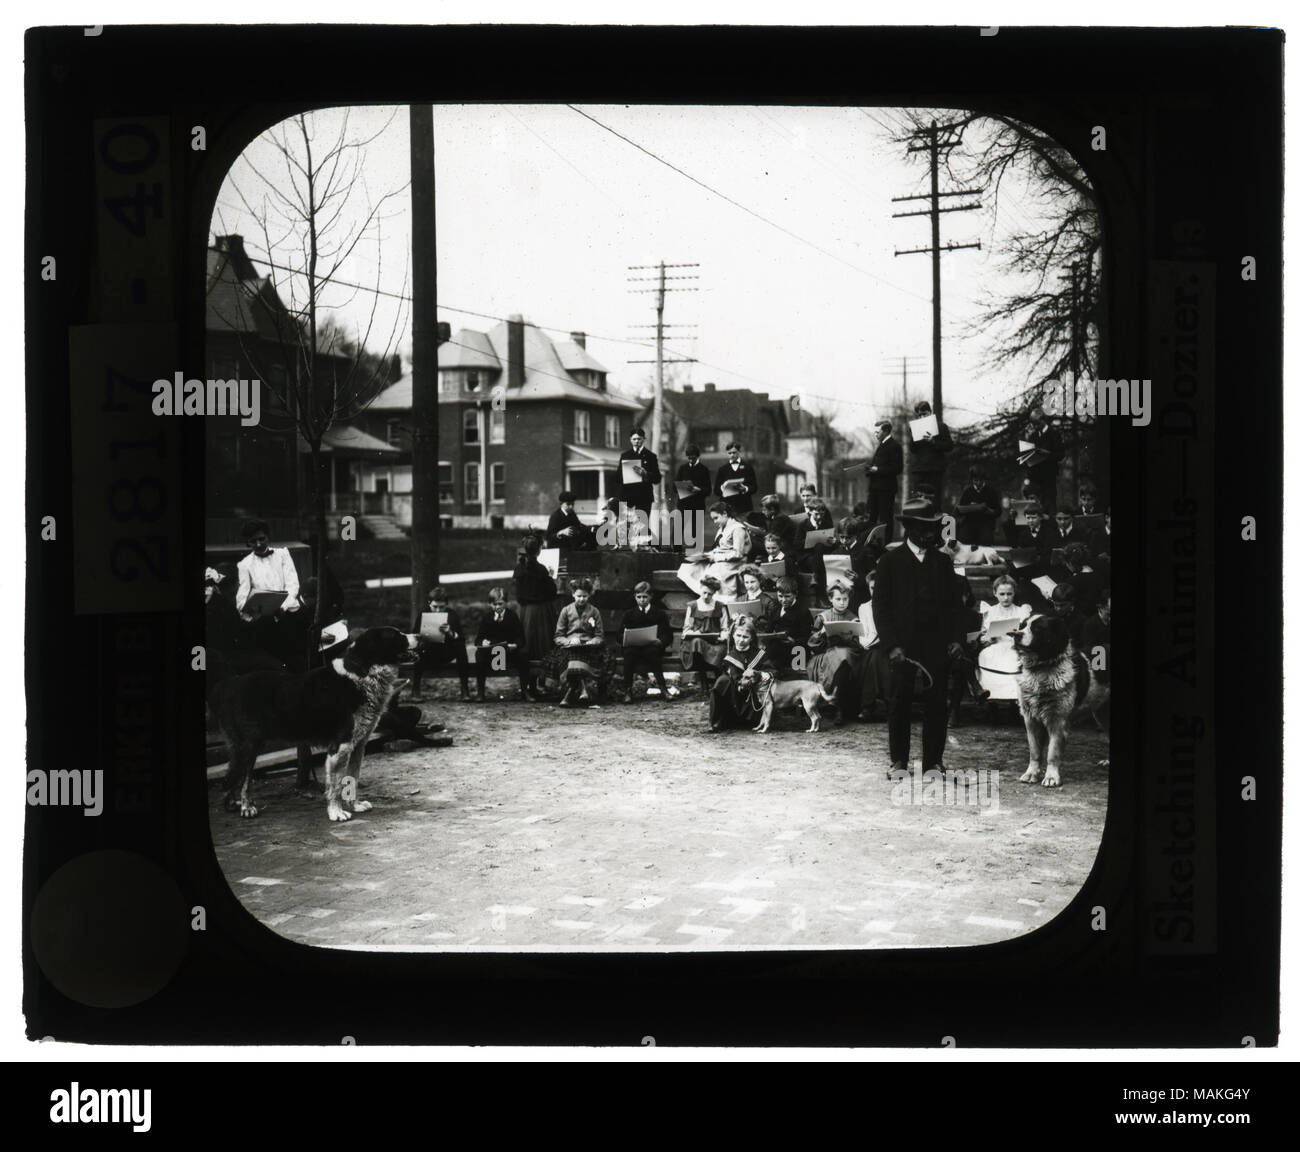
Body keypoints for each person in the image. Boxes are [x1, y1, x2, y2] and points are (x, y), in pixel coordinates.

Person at [871, 497, 967, 776]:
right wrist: (891, 646)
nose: (933, 533)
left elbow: (955, 607)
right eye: (926, 528)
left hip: (936, 645)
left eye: (935, 527)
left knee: (937, 704)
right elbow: (881, 608)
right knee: (899, 702)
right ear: (910, 528)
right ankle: (899, 761)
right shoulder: (890, 561)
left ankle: (933, 762)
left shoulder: (942, 562)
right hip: (901, 647)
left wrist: (957, 639)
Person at [236, 518, 309, 671]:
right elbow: (242, 598)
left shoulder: (283, 554)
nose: (258, 544)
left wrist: (282, 607)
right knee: (276, 658)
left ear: (268, 537)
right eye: (253, 541)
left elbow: (292, 584)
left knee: (297, 654)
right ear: (248, 543)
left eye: (261, 539)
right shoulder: (245, 564)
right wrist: (251, 610)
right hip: (266, 619)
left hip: (289, 612)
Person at [550, 578, 615, 707]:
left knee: (582, 654)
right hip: (569, 647)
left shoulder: (594, 611)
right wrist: (568, 642)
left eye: (584, 596)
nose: (581, 599)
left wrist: (592, 642)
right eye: (578, 596)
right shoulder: (566, 611)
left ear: (589, 595)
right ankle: (583, 689)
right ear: (573, 595)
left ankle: (570, 693)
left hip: (589, 648)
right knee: (574, 653)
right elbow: (558, 635)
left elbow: (599, 635)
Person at [805, 581, 864, 722]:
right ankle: (838, 707)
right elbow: (811, 644)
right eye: (838, 599)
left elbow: (859, 646)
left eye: (845, 599)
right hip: (826, 654)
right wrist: (821, 633)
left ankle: (835, 703)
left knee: (844, 656)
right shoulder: (822, 617)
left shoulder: (853, 618)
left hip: (849, 654)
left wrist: (850, 638)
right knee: (840, 657)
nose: (842, 603)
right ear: (830, 599)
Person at [708, 615, 774, 732]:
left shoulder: (759, 654)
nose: (740, 640)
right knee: (722, 681)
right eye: (738, 635)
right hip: (734, 697)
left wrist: (759, 674)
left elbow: (772, 671)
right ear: (733, 635)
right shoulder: (729, 656)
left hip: (753, 700)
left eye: (745, 637)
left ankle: (754, 720)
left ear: (752, 638)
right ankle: (718, 720)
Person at [513, 533, 560, 698]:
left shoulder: (519, 569)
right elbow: (552, 593)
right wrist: (551, 578)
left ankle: (529, 687)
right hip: (540, 612)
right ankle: (538, 685)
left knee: (528, 648)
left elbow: (518, 595)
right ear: (539, 550)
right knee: (541, 648)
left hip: (525, 612)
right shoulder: (541, 570)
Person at [676, 501, 750, 600]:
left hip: (734, 562)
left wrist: (715, 557)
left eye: (716, 518)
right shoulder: (723, 528)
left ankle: (717, 599)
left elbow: (738, 553)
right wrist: (706, 555)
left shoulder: (738, 528)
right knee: (689, 569)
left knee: (712, 575)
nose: (715, 522)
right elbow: (720, 548)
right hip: (720, 559)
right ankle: (706, 595)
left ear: (725, 514)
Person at [620, 581, 679, 701]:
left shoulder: (659, 614)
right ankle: (628, 691)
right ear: (635, 597)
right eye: (639, 597)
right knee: (628, 654)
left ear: (651, 597)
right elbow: (619, 635)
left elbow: (667, 634)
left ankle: (663, 689)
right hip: (634, 648)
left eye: (645, 597)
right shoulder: (629, 614)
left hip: (652, 647)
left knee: (653, 653)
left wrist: (660, 641)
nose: (642, 600)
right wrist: (626, 638)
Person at [411, 585, 472, 700]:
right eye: (435, 607)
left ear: (446, 605)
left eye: (442, 607)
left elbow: (461, 638)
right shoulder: (423, 614)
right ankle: (415, 690)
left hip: (446, 653)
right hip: (429, 653)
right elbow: (414, 635)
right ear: (429, 603)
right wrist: (422, 636)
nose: (438, 610)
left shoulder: (452, 615)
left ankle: (465, 690)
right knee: (418, 650)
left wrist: (450, 632)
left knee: (460, 647)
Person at [977, 575, 1031, 704]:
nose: (1006, 598)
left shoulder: (1021, 611)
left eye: (1009, 594)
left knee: (1014, 659)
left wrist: (1018, 635)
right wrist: (989, 637)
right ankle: (992, 698)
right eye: (1002, 594)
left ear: (1014, 593)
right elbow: (983, 638)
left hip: (1014, 647)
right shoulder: (989, 611)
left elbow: (1028, 635)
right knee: (988, 656)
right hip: (995, 646)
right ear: (995, 593)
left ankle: (1015, 700)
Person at [473, 587, 531, 702]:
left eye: (500, 604)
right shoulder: (487, 618)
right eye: (494, 604)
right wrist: (483, 642)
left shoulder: (512, 616)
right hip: (492, 653)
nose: (498, 607)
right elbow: (478, 639)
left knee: (523, 655)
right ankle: (480, 692)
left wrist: (516, 645)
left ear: (506, 603)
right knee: (479, 655)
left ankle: (525, 691)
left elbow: (521, 638)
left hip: (508, 652)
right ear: (490, 604)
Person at [946, 578, 990, 727]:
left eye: (962, 596)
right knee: (960, 661)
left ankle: (954, 712)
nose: (959, 600)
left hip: (963, 656)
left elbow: (975, 640)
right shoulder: (942, 614)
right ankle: (975, 686)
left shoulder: (973, 616)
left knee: (960, 664)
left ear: (967, 596)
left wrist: (974, 643)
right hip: (943, 654)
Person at [679, 575, 732, 691]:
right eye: (704, 593)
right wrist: (694, 632)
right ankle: (703, 682)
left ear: (714, 593)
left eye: (710, 594)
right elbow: (687, 628)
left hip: (715, 642)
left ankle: (719, 682)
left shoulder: (720, 607)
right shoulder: (693, 607)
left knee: (721, 650)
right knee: (697, 643)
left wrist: (723, 635)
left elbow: (725, 628)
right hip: (695, 642)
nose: (706, 596)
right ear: (700, 589)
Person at [856, 570, 892, 721]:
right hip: (871, 647)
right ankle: (889, 703)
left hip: (890, 645)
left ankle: (868, 706)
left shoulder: (894, 605)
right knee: (874, 655)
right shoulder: (864, 607)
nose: (875, 591)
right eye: (872, 588)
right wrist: (865, 643)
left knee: (875, 656)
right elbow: (863, 633)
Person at [617, 426, 662, 537]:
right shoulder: (625, 455)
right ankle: (623, 550)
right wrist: (625, 473)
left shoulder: (651, 456)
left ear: (644, 439)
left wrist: (646, 474)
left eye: (639, 439)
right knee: (624, 526)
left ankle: (644, 549)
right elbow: (617, 477)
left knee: (641, 526)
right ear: (630, 440)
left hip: (643, 497)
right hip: (627, 496)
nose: (636, 441)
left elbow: (657, 478)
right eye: (634, 439)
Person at [766, 576, 815, 673]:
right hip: (778, 647)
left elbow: (807, 636)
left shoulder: (803, 611)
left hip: (797, 649)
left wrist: (794, 641)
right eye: (780, 596)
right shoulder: (775, 607)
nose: (783, 600)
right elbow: (769, 629)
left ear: (795, 594)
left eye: (787, 596)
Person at [908, 400, 954, 500]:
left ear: (930, 412)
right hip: (919, 470)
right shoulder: (916, 428)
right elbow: (912, 449)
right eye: (919, 415)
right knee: (918, 500)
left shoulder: (941, 427)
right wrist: (913, 436)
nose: (922, 417)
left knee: (934, 499)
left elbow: (950, 446)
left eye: (924, 414)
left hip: (935, 470)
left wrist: (934, 441)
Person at [866, 419, 903, 540]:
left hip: (886, 489)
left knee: (885, 518)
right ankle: (871, 545)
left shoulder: (894, 446)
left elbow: (897, 468)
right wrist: (870, 470)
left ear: (886, 431)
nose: (875, 434)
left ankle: (886, 544)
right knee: (872, 517)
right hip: (875, 488)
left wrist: (878, 470)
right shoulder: (881, 445)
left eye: (877, 432)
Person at [1018, 405, 1060, 513]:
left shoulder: (1053, 433)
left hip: (1048, 478)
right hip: (1035, 479)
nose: (1034, 426)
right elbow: (1025, 457)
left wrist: (1047, 454)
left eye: (1036, 423)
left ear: (1043, 420)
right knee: (1032, 509)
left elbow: (1060, 454)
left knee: (1049, 508)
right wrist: (1027, 439)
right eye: (1032, 423)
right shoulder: (1033, 435)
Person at [674, 442, 712, 550]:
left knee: (696, 532)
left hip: (697, 505)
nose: (691, 460)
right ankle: (676, 554)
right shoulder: (682, 468)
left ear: (697, 456)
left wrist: (698, 490)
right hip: (683, 505)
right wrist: (682, 487)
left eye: (693, 458)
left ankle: (696, 553)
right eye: (689, 458)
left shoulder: (704, 469)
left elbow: (708, 490)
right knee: (677, 530)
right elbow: (674, 487)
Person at [956, 467, 1001, 547]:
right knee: (964, 541)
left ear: (984, 480)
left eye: (981, 480)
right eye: (976, 480)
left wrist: (989, 510)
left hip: (985, 524)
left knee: (985, 542)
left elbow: (998, 511)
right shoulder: (968, 491)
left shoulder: (991, 492)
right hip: (970, 523)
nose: (978, 483)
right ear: (972, 480)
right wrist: (971, 507)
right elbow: (960, 509)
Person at [714, 441, 759, 517]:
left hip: (744, 506)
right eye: (729, 453)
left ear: (739, 452)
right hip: (727, 506)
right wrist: (723, 489)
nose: (732, 455)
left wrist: (745, 489)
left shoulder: (748, 467)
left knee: (744, 527)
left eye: (734, 453)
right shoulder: (722, 469)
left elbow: (754, 487)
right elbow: (716, 490)